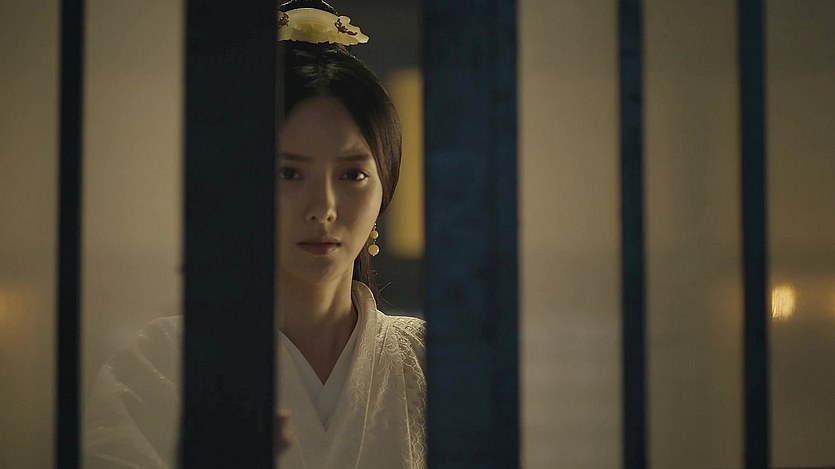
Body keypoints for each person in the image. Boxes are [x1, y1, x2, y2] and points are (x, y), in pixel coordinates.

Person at [83, 1, 426, 467]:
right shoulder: (163, 365)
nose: (323, 208)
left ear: (385, 186)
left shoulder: (430, 363)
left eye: (352, 175)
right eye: (288, 173)